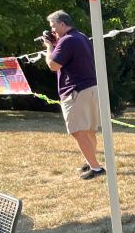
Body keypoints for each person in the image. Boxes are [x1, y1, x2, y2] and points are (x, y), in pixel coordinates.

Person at [41, 10, 104, 179]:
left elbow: (53, 65)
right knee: (89, 130)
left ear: (62, 24)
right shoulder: (80, 37)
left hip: (75, 91)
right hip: (90, 87)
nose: (52, 31)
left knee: (77, 131)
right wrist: (56, 43)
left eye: (54, 27)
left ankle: (96, 168)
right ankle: (92, 162)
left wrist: (49, 47)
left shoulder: (67, 41)